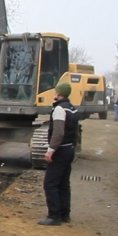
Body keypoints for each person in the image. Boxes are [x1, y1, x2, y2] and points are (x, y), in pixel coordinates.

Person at [39, 82, 80, 226]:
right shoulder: (72, 109)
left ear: (58, 93)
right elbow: (74, 131)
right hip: (69, 148)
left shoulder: (59, 109)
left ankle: (54, 216)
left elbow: (58, 132)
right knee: (63, 183)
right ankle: (65, 214)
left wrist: (50, 151)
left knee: (50, 184)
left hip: (60, 150)